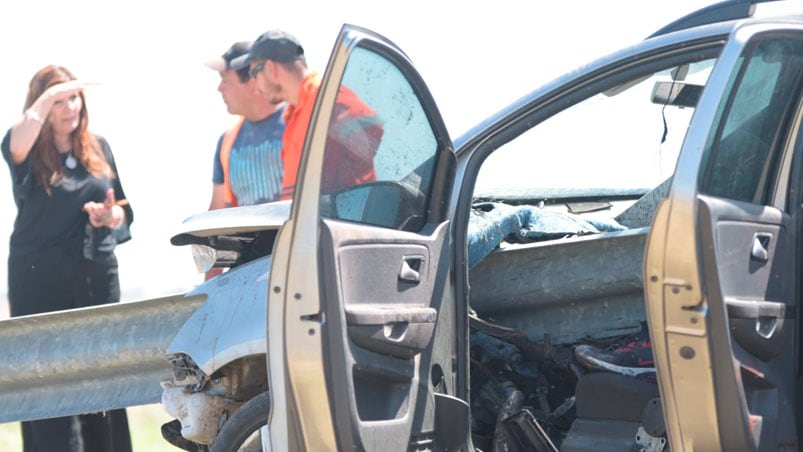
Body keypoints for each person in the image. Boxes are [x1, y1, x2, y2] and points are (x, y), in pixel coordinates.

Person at [1, 65, 134, 452]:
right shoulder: (24, 145)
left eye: (73, 97)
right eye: (58, 100)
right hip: (38, 279)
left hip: (95, 275)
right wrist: (46, 97)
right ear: (41, 106)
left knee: (103, 380)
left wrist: (110, 216)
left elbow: (124, 208)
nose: (69, 107)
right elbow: (17, 141)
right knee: (46, 385)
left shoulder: (99, 147)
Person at [231, 29, 383, 200]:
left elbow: (371, 126)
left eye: (253, 73)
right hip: (306, 224)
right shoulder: (295, 113)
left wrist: (328, 188)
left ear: (270, 69)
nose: (256, 85)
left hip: (334, 222)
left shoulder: (324, 97)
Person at [204, 41, 286, 210]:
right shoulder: (227, 141)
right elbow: (217, 212)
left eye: (225, 81)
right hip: (250, 237)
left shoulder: (297, 123)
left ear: (252, 82)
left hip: (298, 235)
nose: (220, 89)